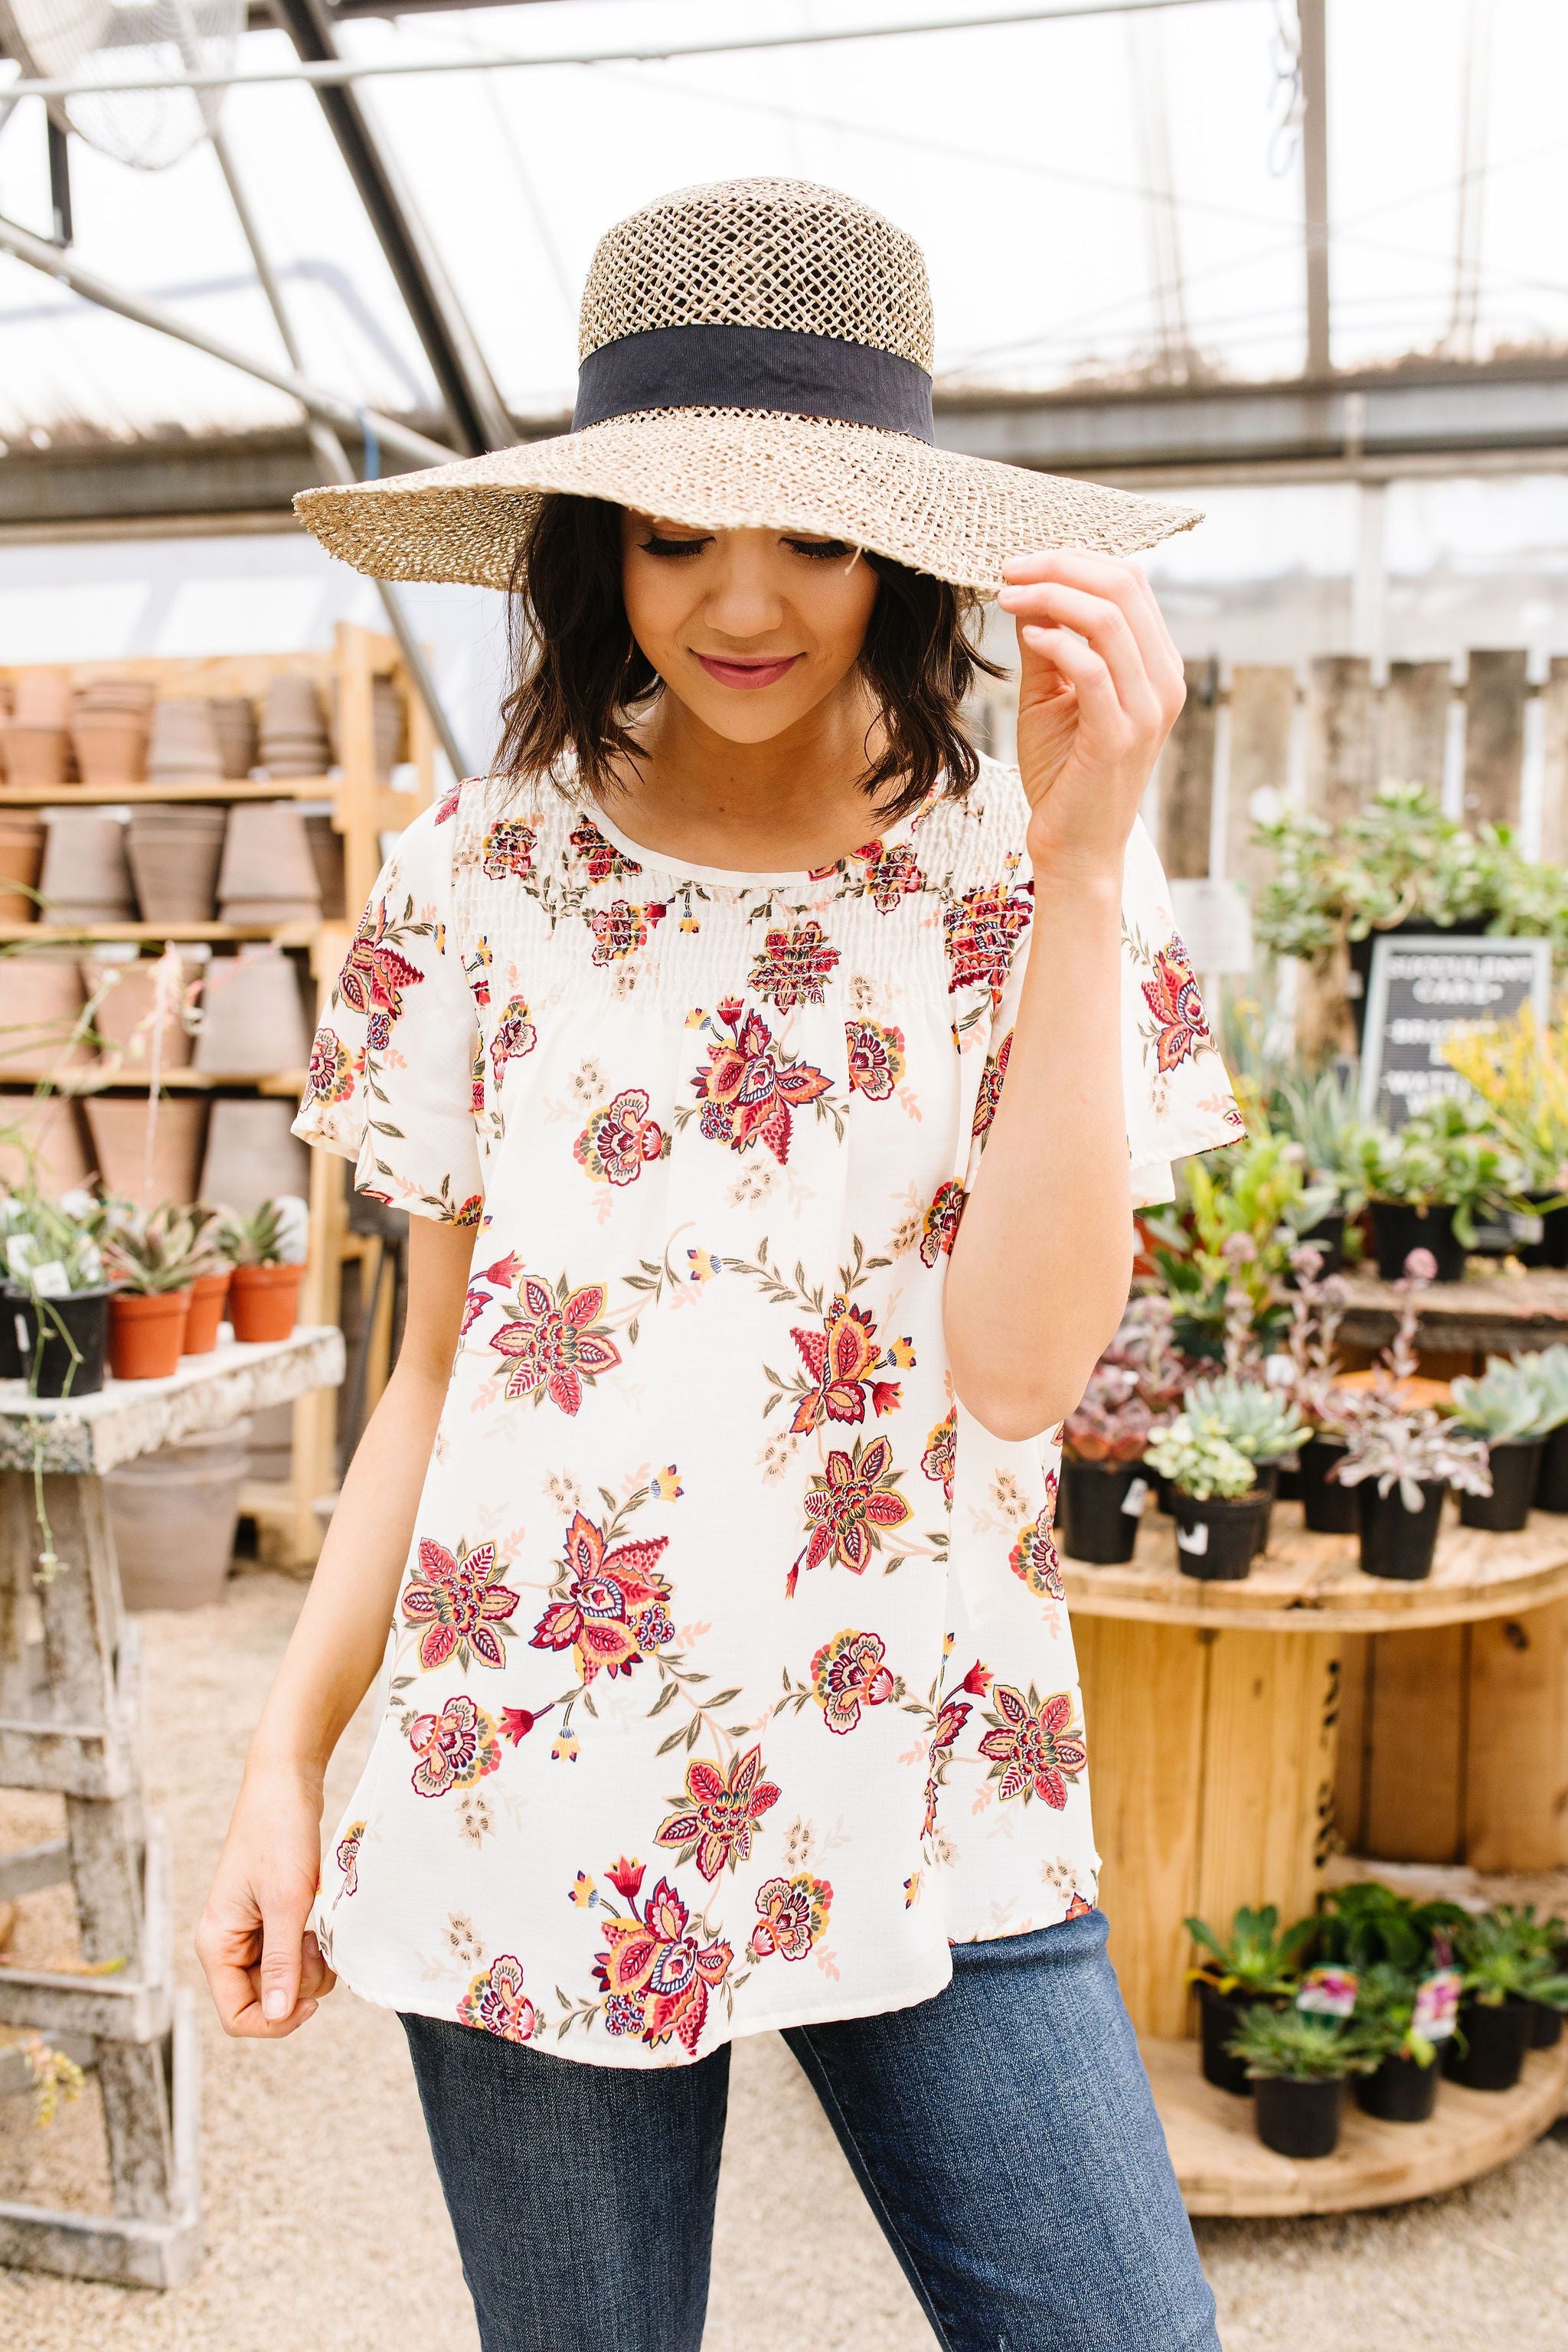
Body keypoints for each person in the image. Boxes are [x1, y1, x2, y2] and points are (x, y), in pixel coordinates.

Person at [199, 178, 1239, 2352]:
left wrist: (1076, 862)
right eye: (677, 538)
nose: (741, 603)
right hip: (529, 1781)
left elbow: (1028, 1371)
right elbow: (432, 1382)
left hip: (941, 1771)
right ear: (598, 550)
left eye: (815, 538)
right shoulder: (476, 882)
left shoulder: (1020, 876)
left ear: (907, 553)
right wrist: (286, 1760)